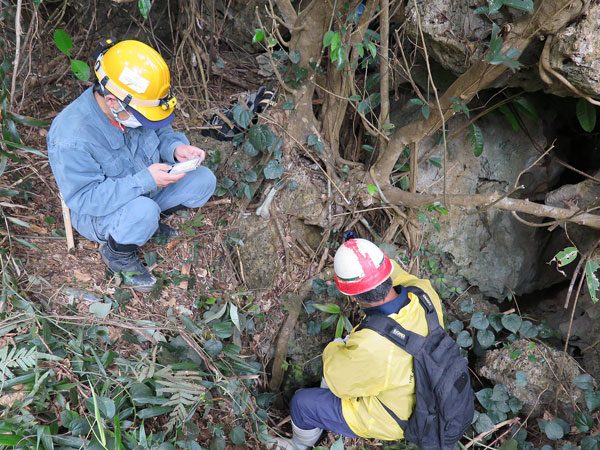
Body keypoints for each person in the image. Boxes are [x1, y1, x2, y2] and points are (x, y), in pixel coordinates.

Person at [47, 38, 216, 293]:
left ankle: (145, 223)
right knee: (143, 211)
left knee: (203, 180)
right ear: (112, 101)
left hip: (148, 188)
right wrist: (144, 181)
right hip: (100, 211)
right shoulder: (70, 136)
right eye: (139, 116)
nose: (143, 121)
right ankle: (117, 252)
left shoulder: (136, 103)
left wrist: (176, 149)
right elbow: (84, 198)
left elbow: (161, 132)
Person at [272, 238, 445, 449]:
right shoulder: (424, 293)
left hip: (395, 416)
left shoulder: (372, 346)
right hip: (430, 389)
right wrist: (357, 255)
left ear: (353, 297)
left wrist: (336, 346)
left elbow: (338, 381)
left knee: (302, 404)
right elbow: (390, 272)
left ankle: (299, 445)